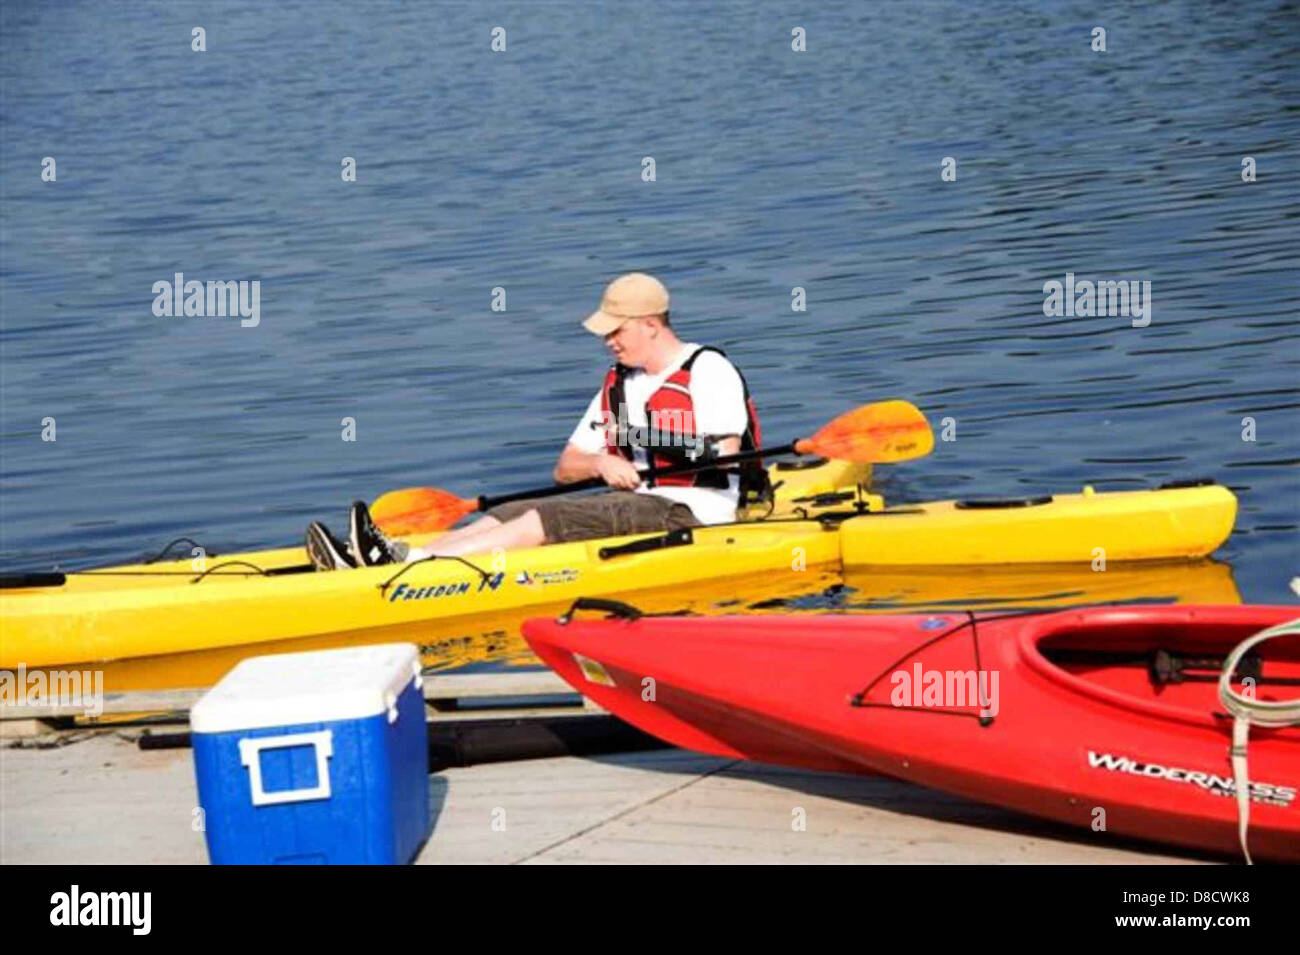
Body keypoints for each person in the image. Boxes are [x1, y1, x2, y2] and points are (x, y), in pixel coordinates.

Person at [305, 272, 764, 570]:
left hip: (696, 513)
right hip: (640, 503)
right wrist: (601, 464)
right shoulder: (620, 383)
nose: (608, 341)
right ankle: (399, 554)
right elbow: (565, 467)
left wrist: (638, 440)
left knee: (544, 518)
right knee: (503, 515)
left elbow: (726, 459)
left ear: (650, 324)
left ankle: (406, 569)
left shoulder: (706, 369)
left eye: (615, 330)